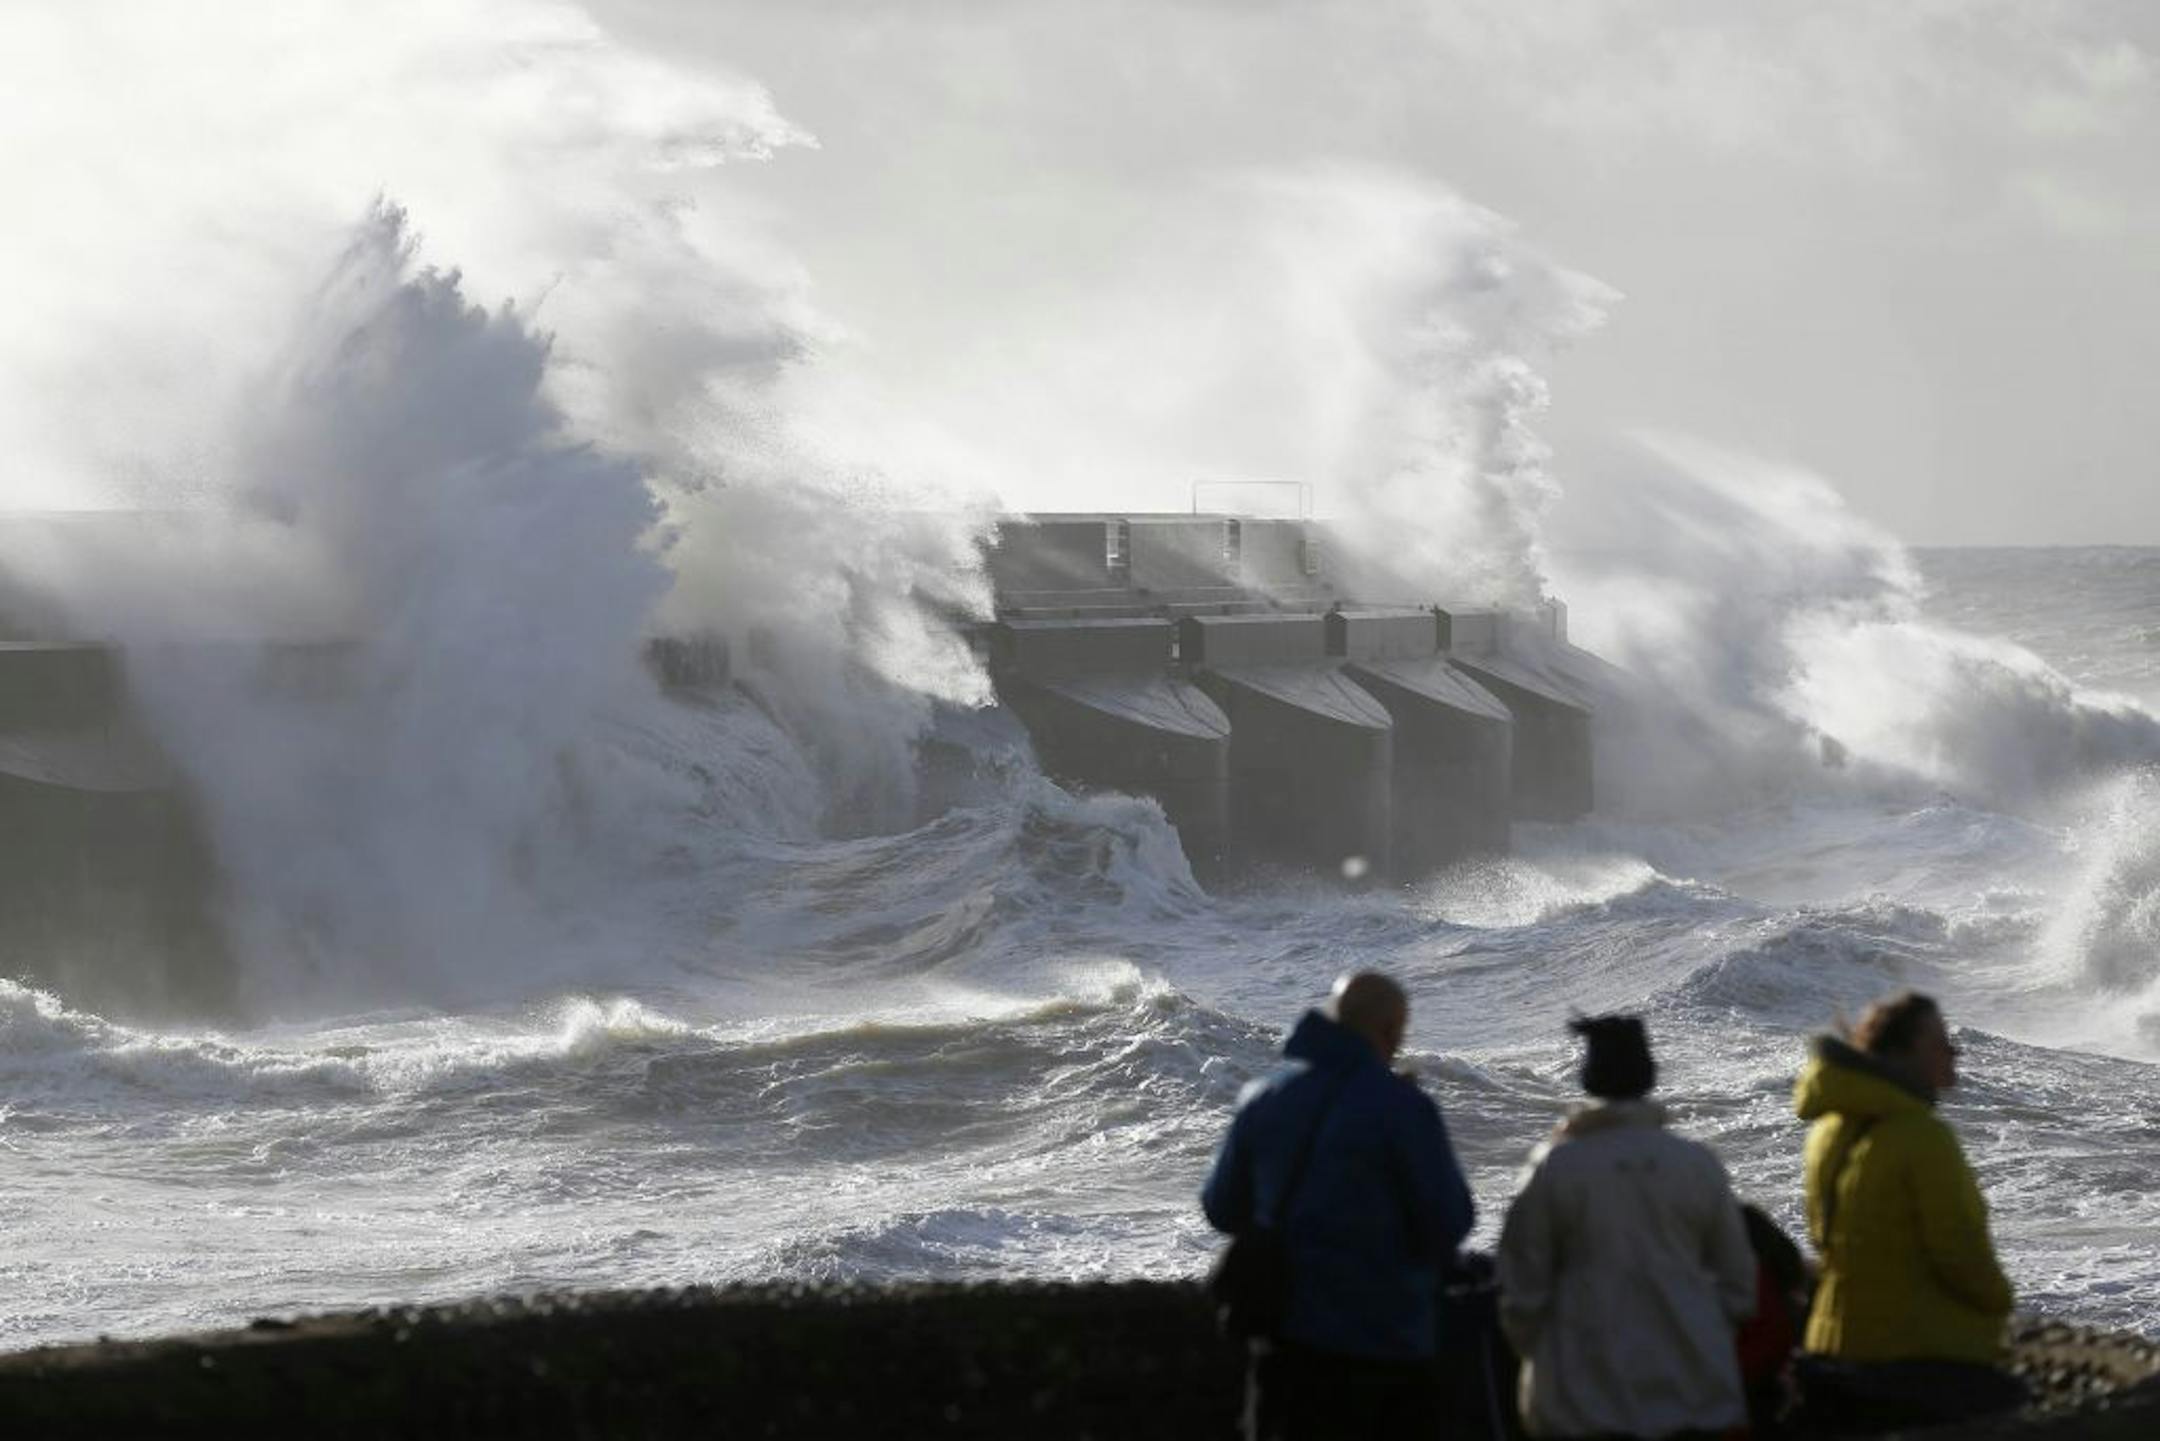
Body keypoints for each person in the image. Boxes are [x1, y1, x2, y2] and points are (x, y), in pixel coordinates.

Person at [1201, 971, 1476, 1441]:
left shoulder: (1265, 1099)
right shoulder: (1403, 1108)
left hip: (1287, 1347)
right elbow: (1449, 1221)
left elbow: (1221, 1208)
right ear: (1390, 1031)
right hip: (1389, 1345)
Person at [1496, 1015, 1757, 1440]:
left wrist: (1546, 1358)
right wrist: (1698, 1334)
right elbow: (1739, 1287)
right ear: (1649, 1074)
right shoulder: (1696, 1164)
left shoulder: (1557, 1167)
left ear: (1587, 1077)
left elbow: (1521, 1291)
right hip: (1694, 1399)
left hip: (1583, 1405)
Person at [1790, 991, 2023, 1431]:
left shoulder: (1828, 1131)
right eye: (1938, 1042)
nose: (1954, 1051)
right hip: (1908, 1355)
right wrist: (2001, 1305)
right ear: (1900, 1054)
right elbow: (1961, 1253)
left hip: (1833, 1343)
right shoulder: (1921, 1136)